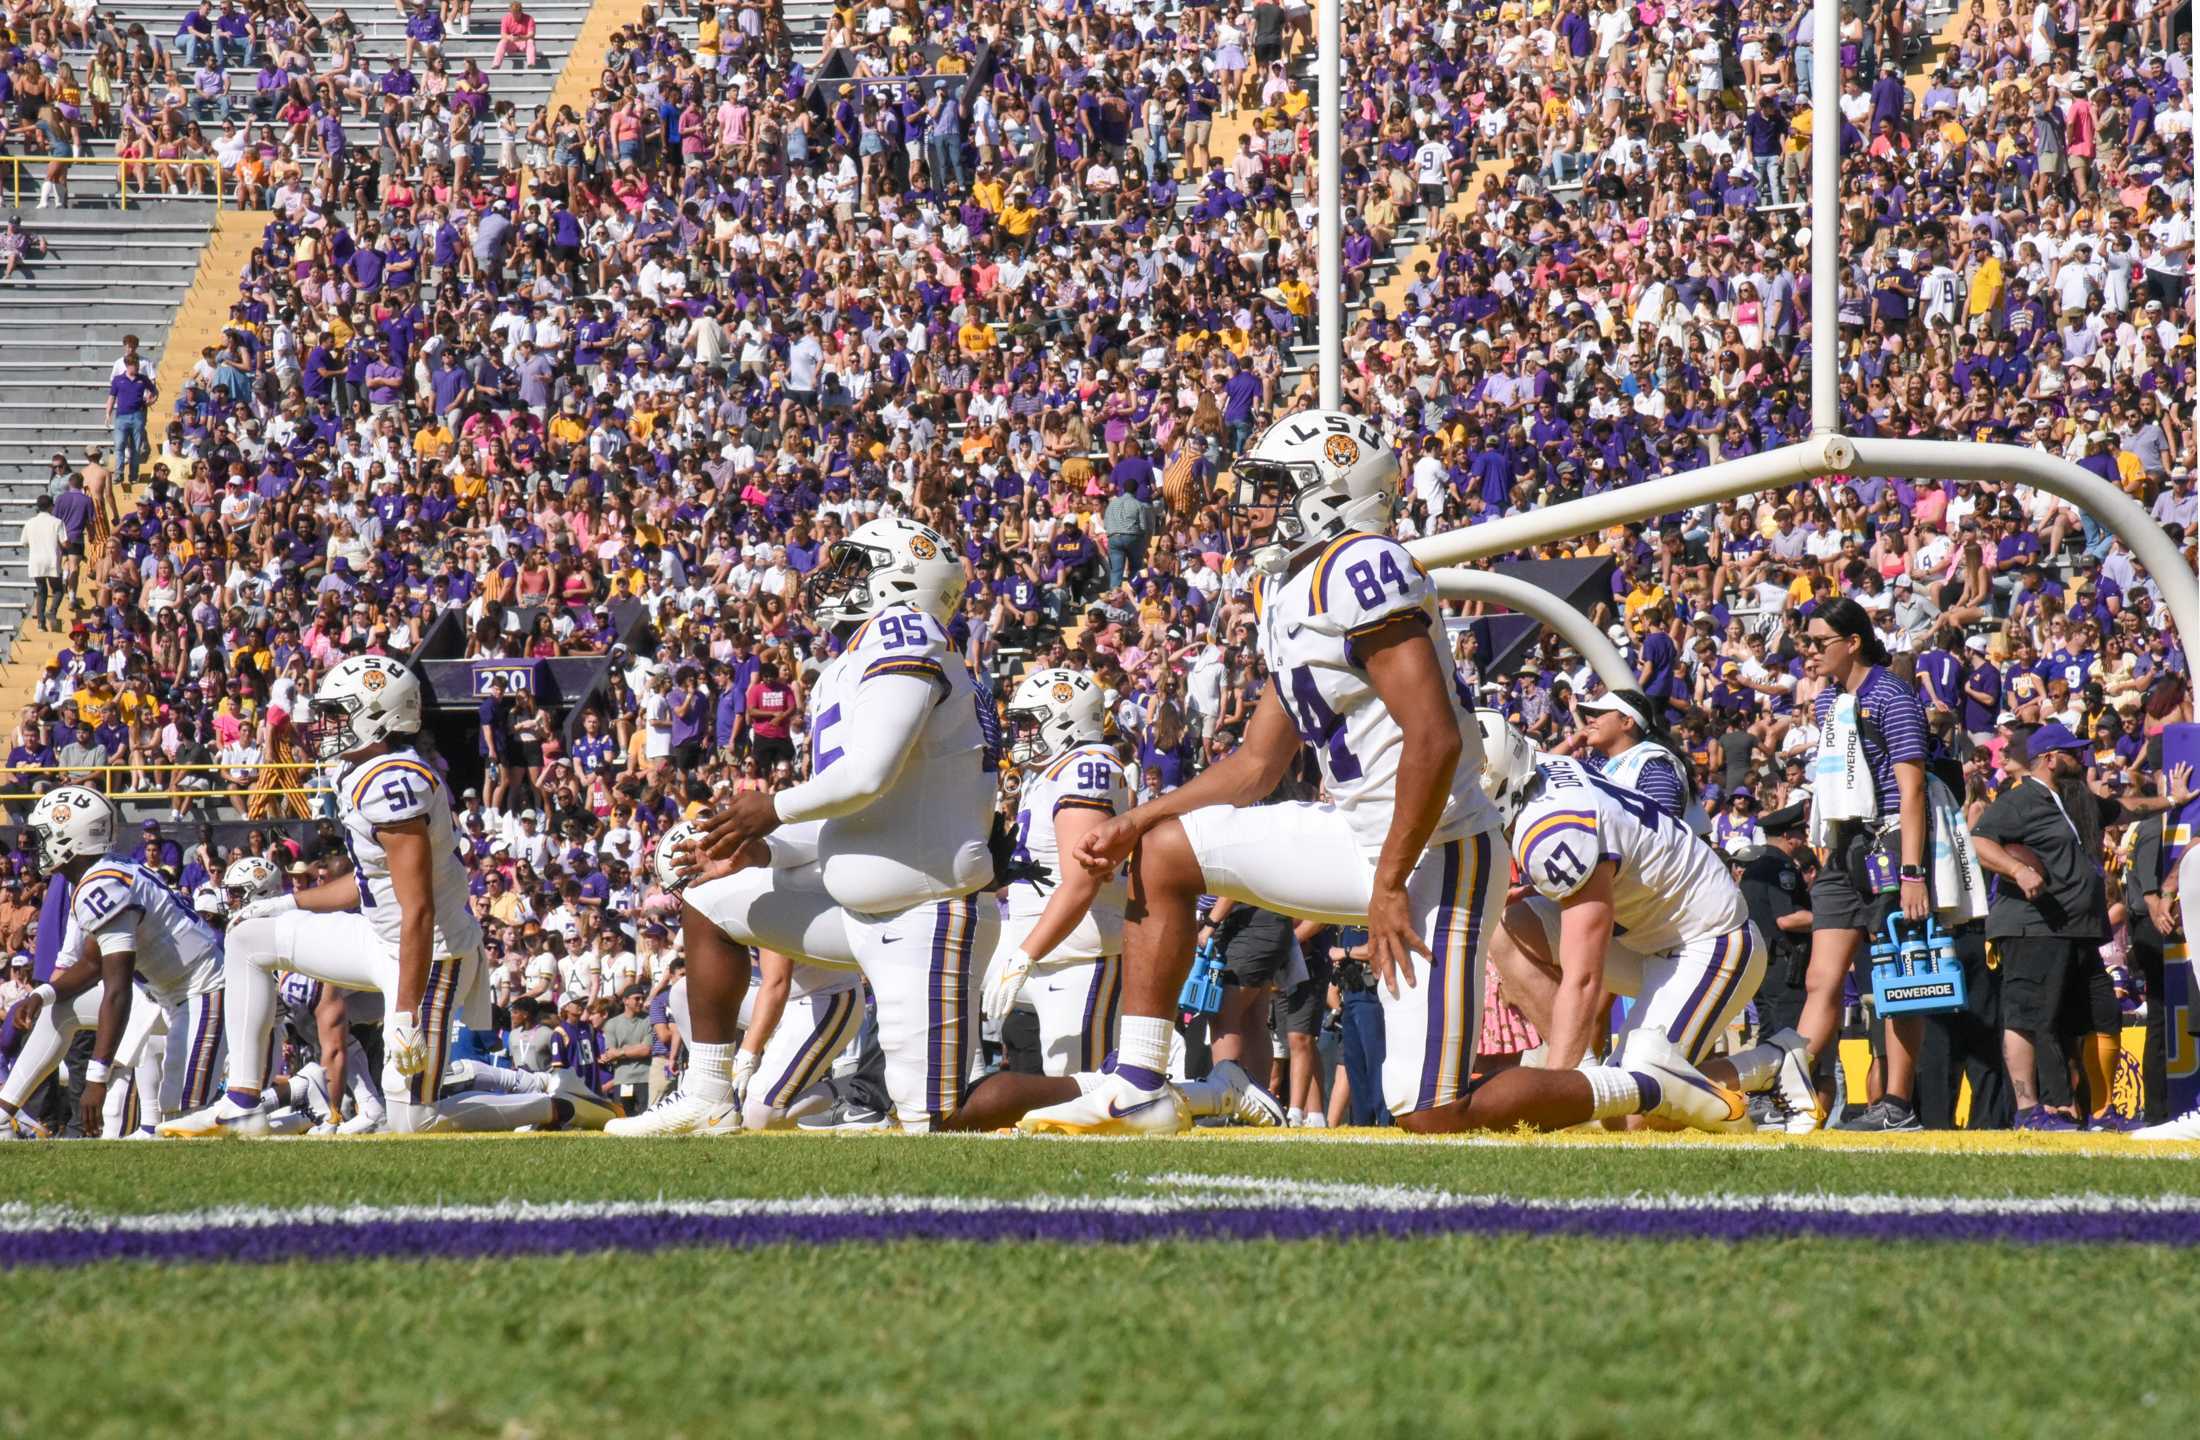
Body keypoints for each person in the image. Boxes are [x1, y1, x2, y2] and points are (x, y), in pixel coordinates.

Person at [1019, 412, 1739, 1137]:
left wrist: (1390, 883)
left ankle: (1644, 1086)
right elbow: (1256, 764)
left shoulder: (1363, 566)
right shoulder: (1292, 588)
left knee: (1431, 1113)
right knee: (1165, 850)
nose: (1258, 505)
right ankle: (1137, 1086)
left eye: (1278, 488)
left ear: (1333, 493)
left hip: (1439, 849)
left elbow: (1433, 741)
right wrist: (1137, 819)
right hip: (1357, 833)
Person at [609, 518, 998, 1135]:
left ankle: (1118, 1089)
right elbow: (856, 812)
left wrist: (771, 808)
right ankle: (707, 1094)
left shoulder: (907, 630)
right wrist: (752, 850)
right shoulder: (859, 656)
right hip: (860, 905)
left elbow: (867, 778)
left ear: (897, 581)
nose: (835, 578)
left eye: (854, 565)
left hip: (926, 910)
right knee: (708, 900)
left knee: (936, 1121)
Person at [160, 656, 614, 1136]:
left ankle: (555, 1103)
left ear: (374, 718)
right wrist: (288, 903)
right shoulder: (361, 772)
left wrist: (401, 1014)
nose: (323, 726)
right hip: (379, 935)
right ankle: (241, 1105)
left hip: (431, 954)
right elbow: (369, 881)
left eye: (337, 714)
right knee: (249, 936)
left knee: (413, 1119)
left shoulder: (392, 781)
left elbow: (418, 906)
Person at [1480, 719, 1818, 1122]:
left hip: (1707, 941)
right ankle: (1590, 1077)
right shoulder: (1539, 773)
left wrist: (1560, 1095)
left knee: (1631, 1117)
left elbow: (1583, 977)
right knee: (1509, 926)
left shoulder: (1555, 831)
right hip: (1645, 935)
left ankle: (1772, 1064)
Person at [1971, 724, 2191, 1130]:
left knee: (2099, 1014)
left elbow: (2126, 809)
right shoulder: (2021, 799)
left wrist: (2172, 800)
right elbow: (1981, 840)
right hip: (2033, 925)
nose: (2084, 758)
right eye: (2074, 753)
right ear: (2050, 759)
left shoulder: (2072, 800)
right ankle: (2031, 1110)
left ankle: (2099, 1111)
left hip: (2076, 928)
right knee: (2030, 1015)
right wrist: (2018, 869)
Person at [0, 787, 227, 1140]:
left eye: (46, 835)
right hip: (160, 991)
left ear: (69, 839)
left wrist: (96, 1078)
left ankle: (296, 1096)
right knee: (59, 1007)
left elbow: (116, 988)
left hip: (203, 990)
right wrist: (42, 994)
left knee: (182, 1120)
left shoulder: (101, 884)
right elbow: (92, 963)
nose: (38, 845)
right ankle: (3, 1114)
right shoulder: (101, 874)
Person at [1798, 597, 1934, 1131]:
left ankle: (1897, 1104)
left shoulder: (1892, 696)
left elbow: (1912, 786)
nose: (1809, 654)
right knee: (1820, 978)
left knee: (1898, 978)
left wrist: (1913, 871)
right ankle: (1799, 1092)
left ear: (1852, 643)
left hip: (1889, 843)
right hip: (1842, 843)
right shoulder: (1827, 702)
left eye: (1818, 643)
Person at [1562, 689, 1704, 830]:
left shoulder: (1653, 769)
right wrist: (1571, 741)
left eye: (1599, 714)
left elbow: (1665, 835)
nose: (1590, 719)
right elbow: (1542, 772)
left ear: (1627, 722)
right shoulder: (1597, 762)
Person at [599, 984, 657, 1115]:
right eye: (637, 998)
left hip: (644, 1078)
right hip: (622, 1079)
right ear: (625, 1001)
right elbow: (610, 1053)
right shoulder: (612, 1024)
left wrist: (621, 1051)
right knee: (623, 1118)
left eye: (642, 998)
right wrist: (635, 1049)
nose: (641, 1002)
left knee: (645, 1117)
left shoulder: (649, 1021)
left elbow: (646, 1050)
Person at [21, 495, 65, 632]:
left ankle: (41, 623)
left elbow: (24, 542)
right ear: (51, 506)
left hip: (36, 560)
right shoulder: (57, 522)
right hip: (51, 559)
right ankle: (52, 611)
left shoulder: (30, 522)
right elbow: (64, 542)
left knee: (41, 591)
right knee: (58, 589)